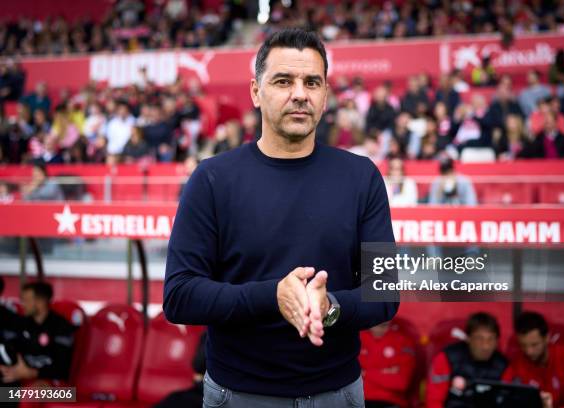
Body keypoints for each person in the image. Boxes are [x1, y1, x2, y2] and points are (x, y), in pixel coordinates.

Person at [163, 28, 398, 408]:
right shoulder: (211, 179)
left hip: (337, 395)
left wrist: (330, 307)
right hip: (239, 396)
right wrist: (272, 296)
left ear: (324, 97)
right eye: (283, 81)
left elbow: (385, 292)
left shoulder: (362, 177)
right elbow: (179, 296)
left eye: (312, 82)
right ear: (256, 91)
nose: (300, 93)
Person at [503, 311, 564, 408]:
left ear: (547, 338)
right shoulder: (518, 362)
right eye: (523, 345)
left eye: (534, 345)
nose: (529, 351)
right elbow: (501, 396)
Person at [426, 312, 507, 408]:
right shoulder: (446, 358)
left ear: (497, 341)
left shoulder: (504, 366)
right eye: (479, 339)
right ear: (468, 338)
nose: (486, 346)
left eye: (491, 339)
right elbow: (434, 401)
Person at [0, 281, 75, 386]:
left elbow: (62, 369)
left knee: (30, 393)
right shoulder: (22, 323)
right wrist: (6, 368)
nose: (23, 304)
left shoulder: (61, 327)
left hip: (63, 391)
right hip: (24, 380)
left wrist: (32, 373)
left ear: (41, 301)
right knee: (7, 393)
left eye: (26, 300)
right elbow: (10, 350)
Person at [360, 321, 416, 408]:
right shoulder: (356, 339)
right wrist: (385, 372)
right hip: (358, 399)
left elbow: (401, 382)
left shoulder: (402, 341)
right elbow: (347, 377)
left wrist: (366, 373)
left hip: (390, 401)